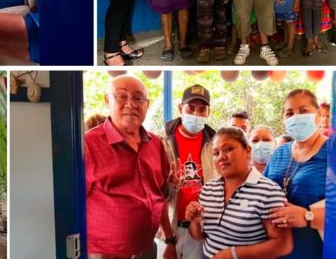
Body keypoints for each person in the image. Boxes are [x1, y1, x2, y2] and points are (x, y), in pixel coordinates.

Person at [85, 75, 175, 259]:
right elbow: (70, 204)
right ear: (107, 100)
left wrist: (170, 240)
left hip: (148, 248)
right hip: (106, 254)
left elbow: (160, 196)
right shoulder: (87, 144)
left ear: (147, 104)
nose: (131, 104)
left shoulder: (156, 144)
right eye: (121, 96)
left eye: (138, 98)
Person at [187, 127, 292, 258]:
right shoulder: (208, 189)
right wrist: (195, 221)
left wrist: (233, 254)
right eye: (216, 153)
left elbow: (283, 245)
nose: (221, 157)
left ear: (247, 151)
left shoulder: (268, 192)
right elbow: (198, 236)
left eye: (228, 149)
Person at [264, 89, 328, 259]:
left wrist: (307, 216)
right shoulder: (279, 153)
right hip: (275, 250)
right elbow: (261, 193)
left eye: (303, 111)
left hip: (315, 251)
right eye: (289, 113)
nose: (296, 117)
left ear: (319, 114)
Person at [162, 84, 218, 258]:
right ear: (180, 108)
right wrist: (167, 238)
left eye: (202, 110)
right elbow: (154, 192)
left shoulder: (215, 144)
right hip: (170, 227)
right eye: (191, 108)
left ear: (208, 112)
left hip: (200, 228)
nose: (196, 114)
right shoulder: (161, 140)